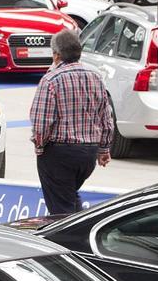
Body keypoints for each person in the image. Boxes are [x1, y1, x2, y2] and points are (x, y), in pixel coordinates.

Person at [29, 28, 114, 215]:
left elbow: (41, 121)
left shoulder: (51, 79)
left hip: (60, 152)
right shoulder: (95, 77)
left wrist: (39, 146)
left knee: (60, 209)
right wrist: (103, 148)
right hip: (88, 154)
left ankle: (66, 241)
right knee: (68, 196)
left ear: (56, 55)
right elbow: (106, 117)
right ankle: (77, 229)